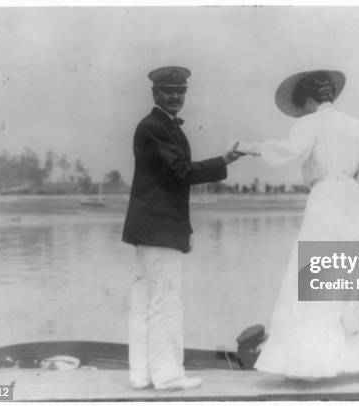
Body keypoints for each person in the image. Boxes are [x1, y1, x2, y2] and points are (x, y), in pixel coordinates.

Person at [235, 70, 359, 380]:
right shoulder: (358, 125)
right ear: (331, 95)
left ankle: (311, 363)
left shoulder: (308, 124)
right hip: (354, 200)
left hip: (326, 197)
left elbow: (290, 153)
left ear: (308, 99)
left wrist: (252, 147)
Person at [122, 66, 242, 390]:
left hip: (151, 228)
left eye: (181, 91)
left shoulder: (159, 126)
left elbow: (171, 179)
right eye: (168, 91)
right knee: (165, 301)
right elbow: (180, 172)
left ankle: (142, 373)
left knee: (147, 299)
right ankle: (167, 375)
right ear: (155, 93)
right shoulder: (155, 127)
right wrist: (224, 161)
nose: (175, 96)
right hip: (159, 229)